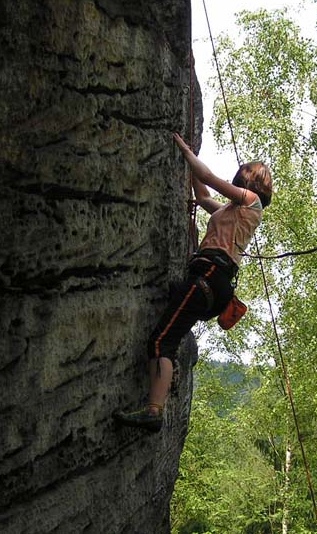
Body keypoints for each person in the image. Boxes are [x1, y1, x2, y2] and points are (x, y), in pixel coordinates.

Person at [113, 132, 272, 432]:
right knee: (172, 296)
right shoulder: (230, 211)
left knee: (161, 342)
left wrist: (186, 151)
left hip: (212, 275)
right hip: (208, 281)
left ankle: (154, 410)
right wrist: (190, 169)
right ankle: (158, 394)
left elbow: (210, 178)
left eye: (241, 175)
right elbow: (203, 196)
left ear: (249, 181)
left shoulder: (252, 202)